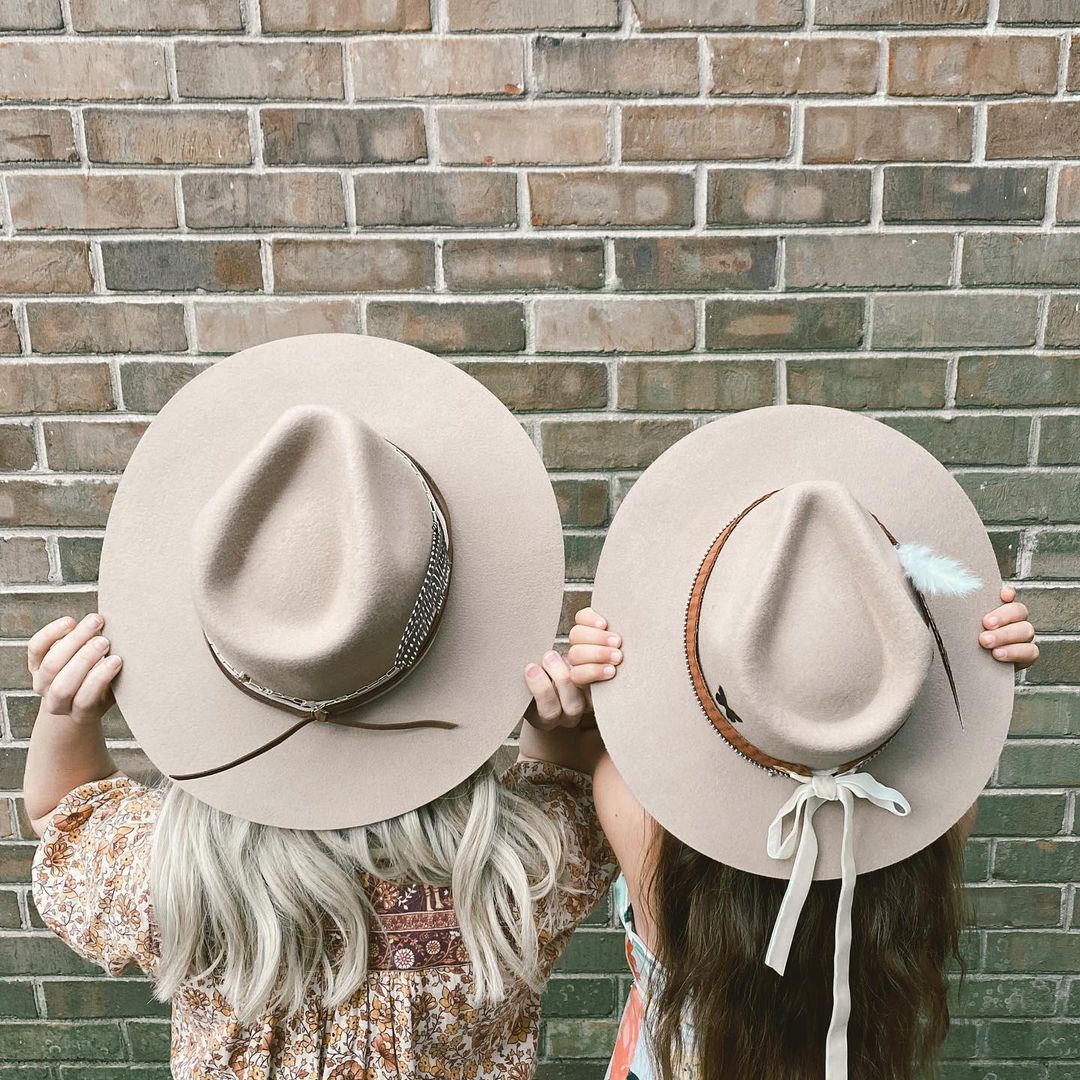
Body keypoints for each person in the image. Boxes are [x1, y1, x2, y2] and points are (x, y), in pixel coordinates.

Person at [24, 334, 615, 1079]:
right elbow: (571, 793)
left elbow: (63, 820)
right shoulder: (519, 874)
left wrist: (67, 714)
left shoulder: (165, 880)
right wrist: (558, 730)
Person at [542, 406, 1041, 1080]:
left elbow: (556, 761)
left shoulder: (632, 805)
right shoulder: (939, 821)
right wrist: (986, 677)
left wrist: (587, 689)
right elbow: (955, 749)